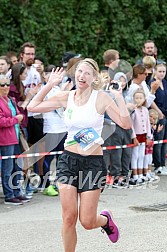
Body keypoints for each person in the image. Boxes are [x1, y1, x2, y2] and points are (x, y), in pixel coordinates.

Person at [27, 58, 131, 251]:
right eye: (79, 71)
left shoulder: (101, 98)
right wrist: (49, 85)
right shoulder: (67, 96)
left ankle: (105, 220)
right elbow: (32, 107)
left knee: (87, 221)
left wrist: (118, 96)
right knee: (68, 218)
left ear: (94, 78)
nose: (82, 76)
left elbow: (125, 124)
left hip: (92, 163)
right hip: (68, 160)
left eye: (87, 73)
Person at [0, 74, 30, 205]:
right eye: (2, 85)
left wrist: (19, 117)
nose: (6, 87)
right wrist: (15, 120)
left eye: (7, 84)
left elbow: (19, 113)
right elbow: (1, 121)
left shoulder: (11, 99)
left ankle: (17, 191)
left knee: (17, 167)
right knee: (7, 168)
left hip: (16, 136)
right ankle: (9, 194)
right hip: (5, 139)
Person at [129, 90, 152, 186]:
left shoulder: (146, 110)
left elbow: (147, 124)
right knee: (135, 156)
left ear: (144, 99)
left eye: (141, 98)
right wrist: (134, 137)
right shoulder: (133, 111)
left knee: (142, 155)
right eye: (137, 98)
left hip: (144, 135)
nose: (138, 100)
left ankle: (141, 173)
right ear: (133, 99)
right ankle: (135, 175)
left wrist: (148, 136)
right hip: (136, 135)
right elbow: (131, 125)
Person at [149, 63, 167, 175]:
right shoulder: (152, 83)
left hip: (165, 113)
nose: (162, 74)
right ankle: (157, 164)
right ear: (155, 71)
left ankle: (163, 164)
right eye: (160, 71)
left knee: (164, 140)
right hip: (157, 113)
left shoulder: (165, 83)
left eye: (164, 72)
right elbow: (151, 100)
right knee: (158, 140)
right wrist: (159, 112)